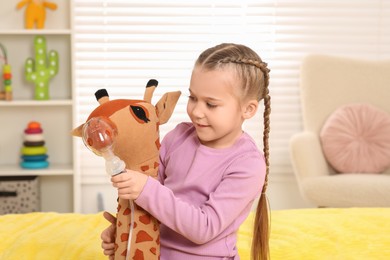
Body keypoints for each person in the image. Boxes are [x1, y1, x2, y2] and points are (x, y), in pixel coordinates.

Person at [101, 43, 271, 260]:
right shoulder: (178, 137)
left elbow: (204, 228)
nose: (197, 111)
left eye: (211, 104)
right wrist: (125, 231)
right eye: (193, 98)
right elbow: (147, 199)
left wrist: (145, 189)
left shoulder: (248, 165)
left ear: (248, 109)